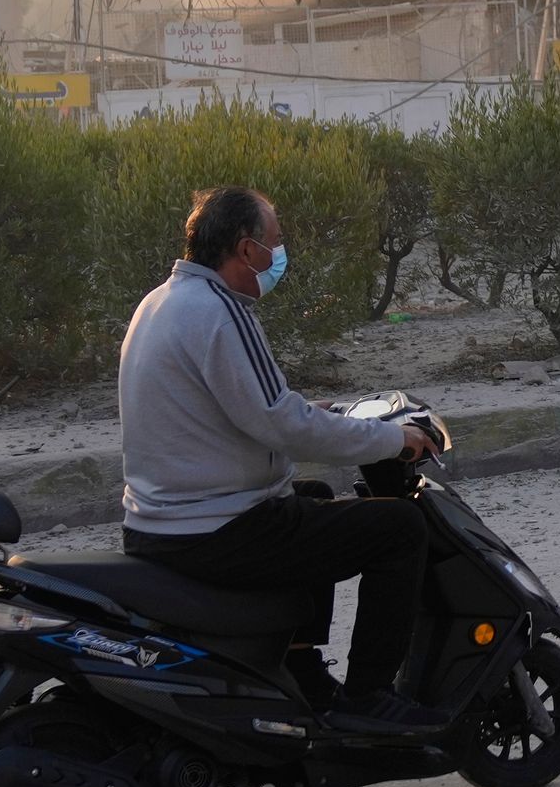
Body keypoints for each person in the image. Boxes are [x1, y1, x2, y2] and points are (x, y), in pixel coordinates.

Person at [119, 186, 444, 730]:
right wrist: (394, 441)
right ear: (247, 251)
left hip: (165, 520)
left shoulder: (165, 301)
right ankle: (368, 698)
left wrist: (321, 412)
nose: (281, 253)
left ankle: (299, 665)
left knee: (311, 499)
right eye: (275, 242)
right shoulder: (221, 313)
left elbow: (244, 407)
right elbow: (283, 426)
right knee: (400, 527)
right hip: (212, 529)